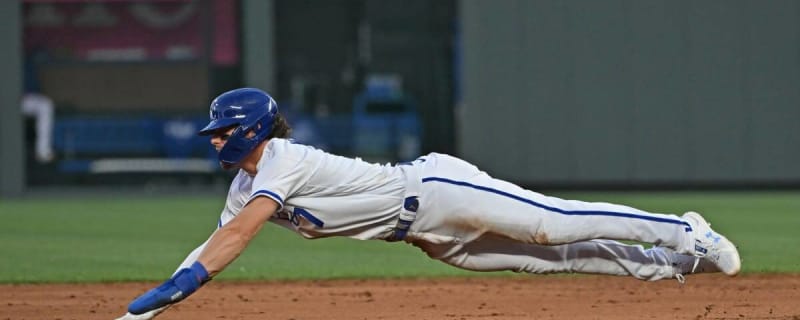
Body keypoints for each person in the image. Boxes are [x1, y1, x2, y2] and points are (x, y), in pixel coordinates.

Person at [116, 88, 741, 320]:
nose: (216, 140)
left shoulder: (282, 159)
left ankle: (685, 233)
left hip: (437, 189)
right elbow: (215, 239)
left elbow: (239, 237)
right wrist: (159, 299)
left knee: (554, 225)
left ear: (253, 130)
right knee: (554, 261)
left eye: (223, 131)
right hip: (423, 235)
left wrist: (190, 283)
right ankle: (679, 269)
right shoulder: (243, 186)